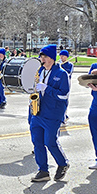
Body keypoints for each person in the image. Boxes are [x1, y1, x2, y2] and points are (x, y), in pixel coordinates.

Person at [29, 44, 71, 182]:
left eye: (45, 56)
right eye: (41, 56)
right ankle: (43, 170)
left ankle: (63, 163)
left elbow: (64, 95)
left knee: (50, 141)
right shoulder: (40, 71)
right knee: (37, 142)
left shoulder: (62, 74)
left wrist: (47, 88)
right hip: (38, 112)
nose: (42, 59)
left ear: (52, 58)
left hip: (53, 113)